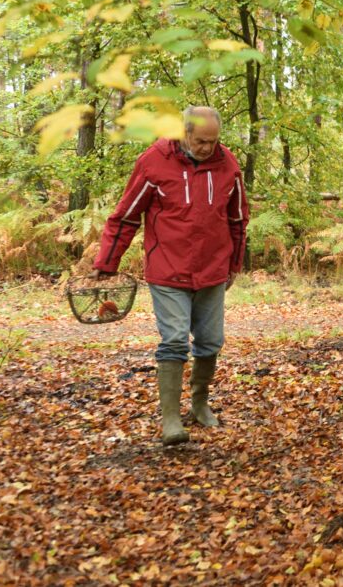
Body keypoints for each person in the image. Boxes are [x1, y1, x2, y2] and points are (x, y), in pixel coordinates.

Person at [93, 106, 249, 445]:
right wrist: (107, 263)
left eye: (214, 141)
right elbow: (126, 216)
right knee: (175, 340)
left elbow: (238, 219)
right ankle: (170, 419)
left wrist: (234, 264)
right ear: (184, 132)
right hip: (167, 269)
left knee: (210, 342)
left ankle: (200, 404)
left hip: (212, 270)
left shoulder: (228, 165)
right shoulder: (154, 161)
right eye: (201, 140)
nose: (208, 148)